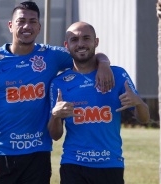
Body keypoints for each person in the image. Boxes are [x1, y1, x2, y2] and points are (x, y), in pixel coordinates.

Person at [0, 2, 114, 184]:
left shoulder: (51, 56)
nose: (26, 26)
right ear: (10, 25)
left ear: (39, 27)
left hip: (38, 155)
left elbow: (84, 52)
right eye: (21, 21)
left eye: (32, 21)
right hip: (2, 154)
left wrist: (103, 63)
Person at [48, 22, 150, 184]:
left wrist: (138, 103)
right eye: (74, 40)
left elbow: (144, 118)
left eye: (86, 38)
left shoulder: (118, 74)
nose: (80, 44)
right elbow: (55, 135)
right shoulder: (59, 83)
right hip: (73, 165)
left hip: (110, 164)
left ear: (96, 42)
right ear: (67, 46)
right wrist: (55, 116)